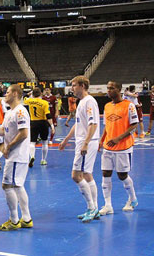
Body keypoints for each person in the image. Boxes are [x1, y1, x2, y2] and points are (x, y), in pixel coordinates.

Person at [0, 84, 33, 231]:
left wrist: (8, 147)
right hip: (15, 156)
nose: (4, 95)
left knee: (7, 185)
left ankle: (14, 220)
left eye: (7, 92)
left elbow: (24, 133)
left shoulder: (20, 111)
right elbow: (3, 131)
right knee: (18, 186)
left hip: (16, 155)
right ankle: (26, 219)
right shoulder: (9, 113)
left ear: (14, 94)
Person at [59, 76, 100, 223]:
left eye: (74, 85)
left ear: (82, 86)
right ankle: (94, 208)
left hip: (86, 142)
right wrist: (66, 139)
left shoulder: (89, 101)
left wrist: (86, 143)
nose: (72, 88)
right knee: (87, 175)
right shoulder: (82, 102)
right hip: (84, 141)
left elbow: (93, 124)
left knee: (76, 176)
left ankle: (91, 208)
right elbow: (78, 124)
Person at [98, 81, 139, 216]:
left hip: (123, 147)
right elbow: (106, 126)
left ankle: (132, 199)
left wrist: (118, 138)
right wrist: (101, 140)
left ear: (119, 89)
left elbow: (134, 125)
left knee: (122, 176)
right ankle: (108, 205)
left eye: (112, 88)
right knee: (105, 173)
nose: (109, 90)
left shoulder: (129, 105)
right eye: (108, 88)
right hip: (108, 147)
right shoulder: (107, 106)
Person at [24, 88, 55, 167]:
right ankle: (43, 160)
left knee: (32, 142)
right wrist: (52, 126)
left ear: (33, 94)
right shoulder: (44, 103)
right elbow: (48, 115)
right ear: (41, 94)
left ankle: (32, 157)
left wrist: (29, 94)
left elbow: (24, 97)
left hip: (34, 122)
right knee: (44, 142)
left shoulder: (29, 101)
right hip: (43, 123)